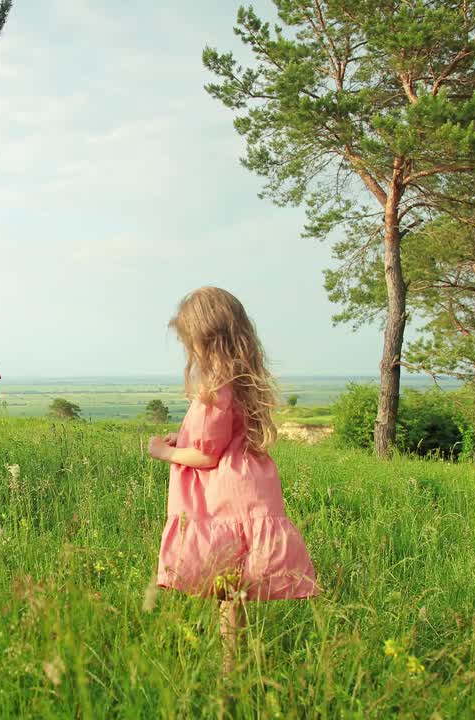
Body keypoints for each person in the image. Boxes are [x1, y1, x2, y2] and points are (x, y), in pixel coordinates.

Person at [147, 287, 318, 672]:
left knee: (226, 581)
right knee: (232, 588)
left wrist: (166, 452)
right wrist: (184, 439)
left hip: (225, 493)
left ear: (205, 339)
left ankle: (229, 664)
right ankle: (231, 661)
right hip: (248, 483)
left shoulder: (213, 391)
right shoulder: (240, 379)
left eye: (190, 342)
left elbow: (206, 456)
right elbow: (221, 438)